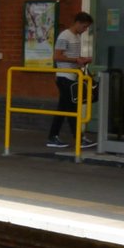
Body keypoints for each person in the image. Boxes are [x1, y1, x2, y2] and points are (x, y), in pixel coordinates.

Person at [47, 11, 96, 149]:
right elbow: (56, 56)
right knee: (72, 108)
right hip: (64, 76)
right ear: (78, 23)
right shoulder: (65, 36)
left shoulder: (76, 37)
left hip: (71, 75)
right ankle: (78, 138)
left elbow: (70, 56)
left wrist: (82, 60)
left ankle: (53, 136)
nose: (85, 30)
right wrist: (76, 59)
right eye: (84, 27)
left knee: (63, 108)